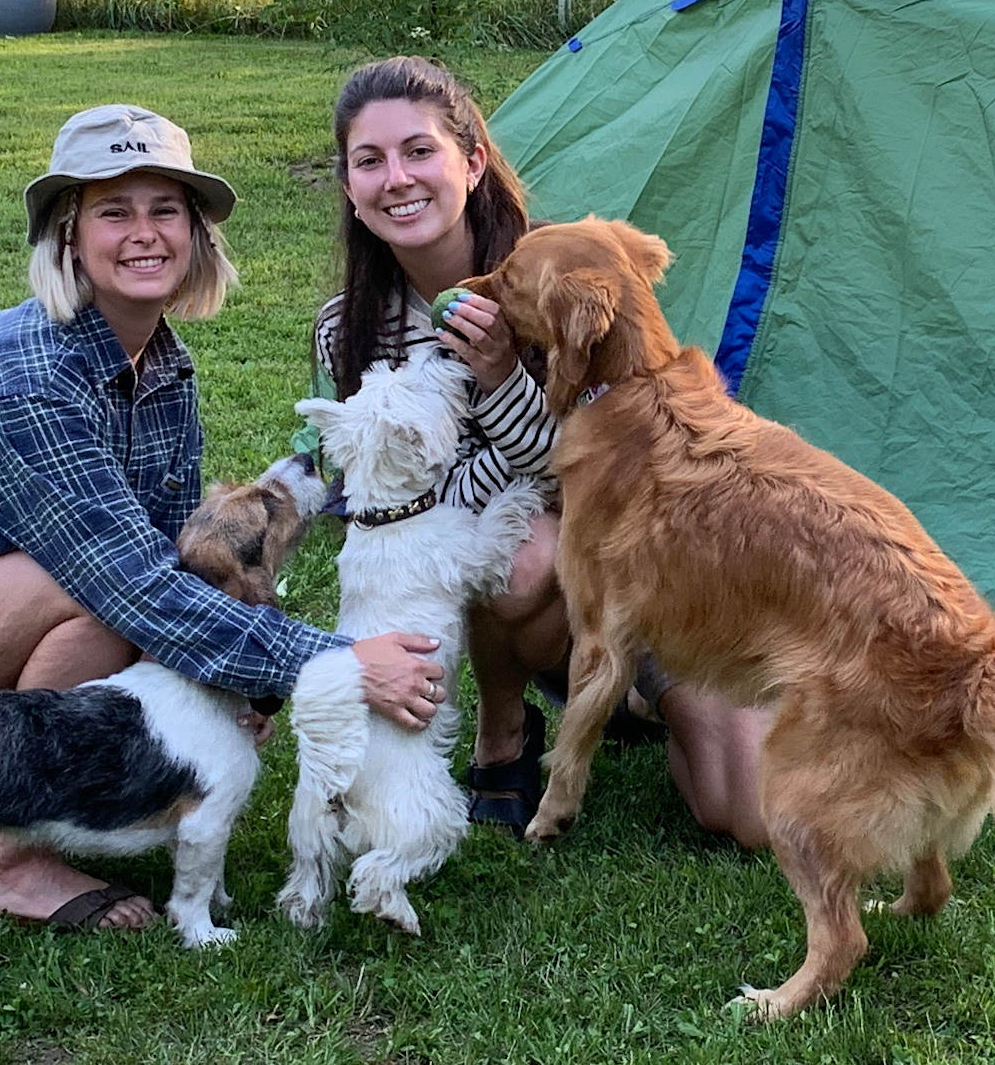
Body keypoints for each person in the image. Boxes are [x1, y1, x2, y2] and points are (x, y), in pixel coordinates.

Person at [0, 105, 445, 930]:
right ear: (69, 237)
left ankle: (30, 807)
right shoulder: (28, 374)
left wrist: (234, 683)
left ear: (196, 236)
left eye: (165, 212)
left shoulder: (161, 361)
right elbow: (136, 588)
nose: (144, 234)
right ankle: (15, 862)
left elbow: (178, 559)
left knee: (125, 575)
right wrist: (339, 663)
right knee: (96, 588)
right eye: (113, 212)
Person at [313, 56, 770, 847]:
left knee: (749, 815)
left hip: (660, 574)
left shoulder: (560, 275)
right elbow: (382, 502)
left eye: (420, 151)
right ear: (351, 189)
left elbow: (602, 465)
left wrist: (497, 384)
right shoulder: (346, 329)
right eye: (370, 161)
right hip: (548, 580)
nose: (397, 179)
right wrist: (499, 448)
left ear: (473, 161)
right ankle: (504, 733)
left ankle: (641, 698)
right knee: (512, 545)